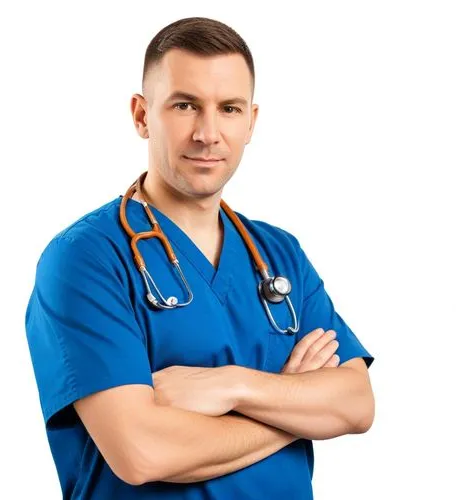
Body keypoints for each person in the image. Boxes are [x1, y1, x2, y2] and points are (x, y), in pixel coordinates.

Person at [25, 16, 375, 499]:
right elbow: (142, 451)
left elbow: (355, 404)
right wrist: (294, 412)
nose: (208, 133)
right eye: (185, 105)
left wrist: (233, 386)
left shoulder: (279, 255)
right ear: (142, 115)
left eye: (229, 109)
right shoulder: (86, 260)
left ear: (251, 122)